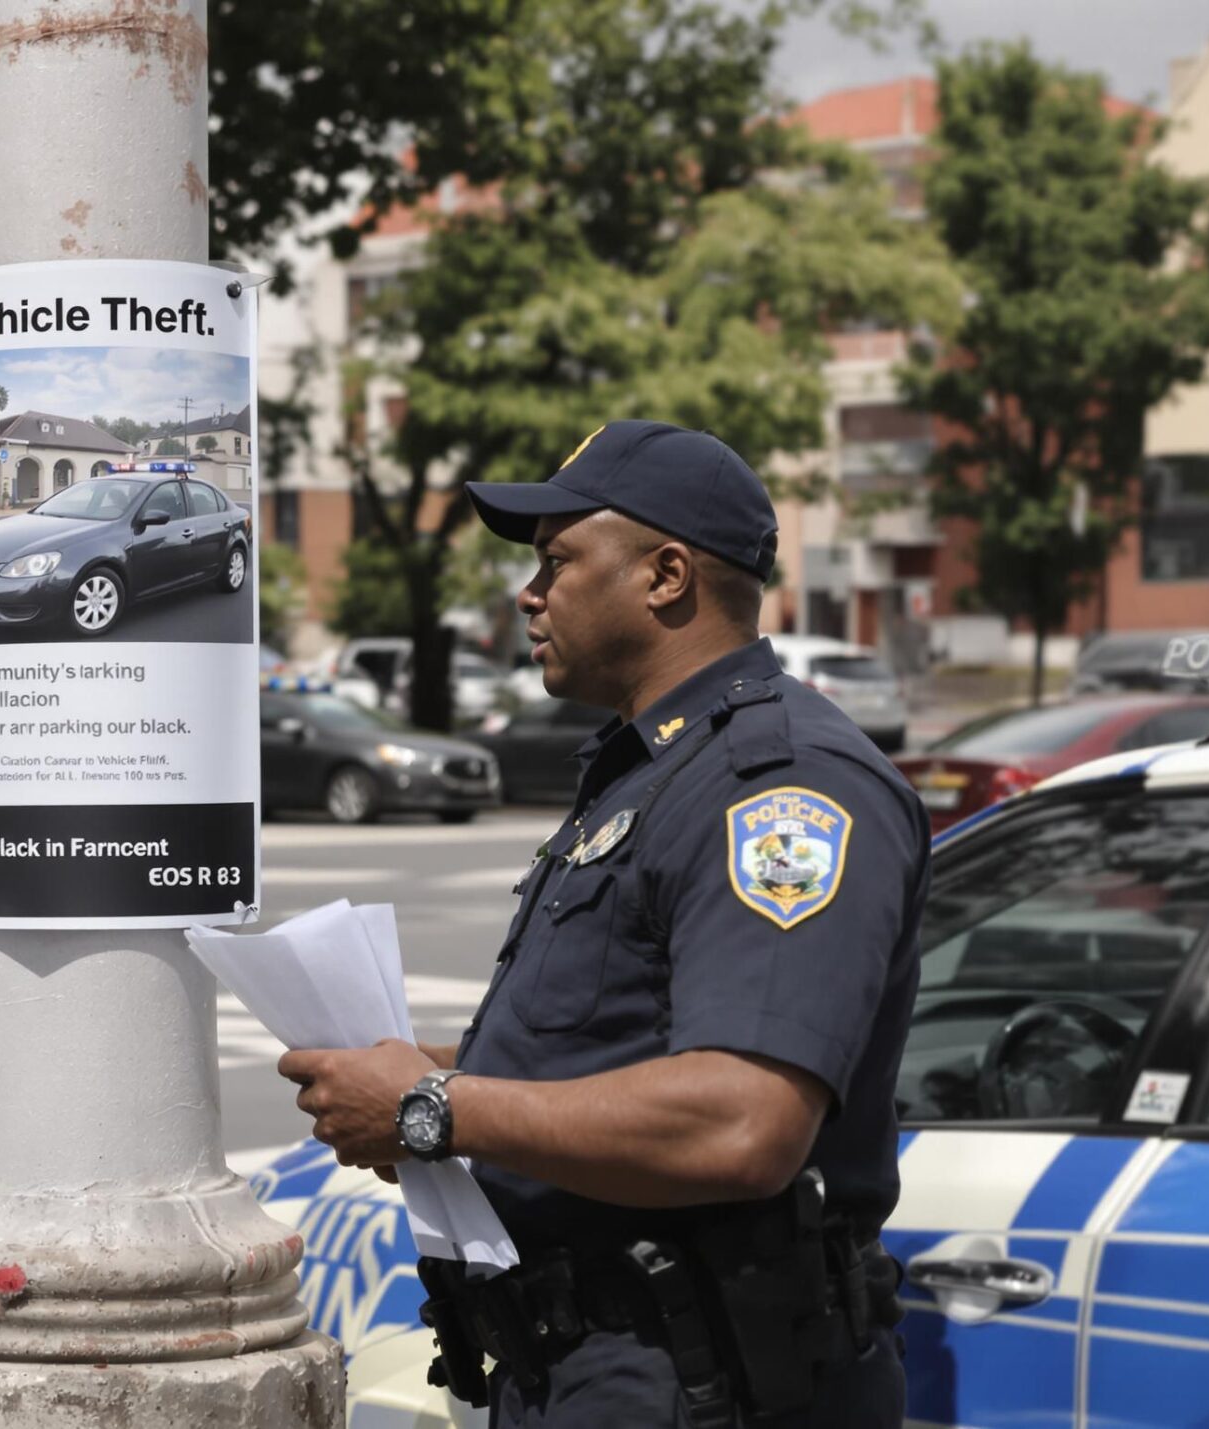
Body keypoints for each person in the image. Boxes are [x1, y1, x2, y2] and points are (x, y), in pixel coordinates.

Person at [277, 420, 924, 1428]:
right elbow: (615, 1041)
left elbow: (742, 1117)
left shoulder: (779, 786)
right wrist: (426, 1070)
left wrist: (432, 1107)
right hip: (589, 1368)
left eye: (557, 562)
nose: (529, 595)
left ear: (666, 575)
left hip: (701, 1380)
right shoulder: (656, 770)